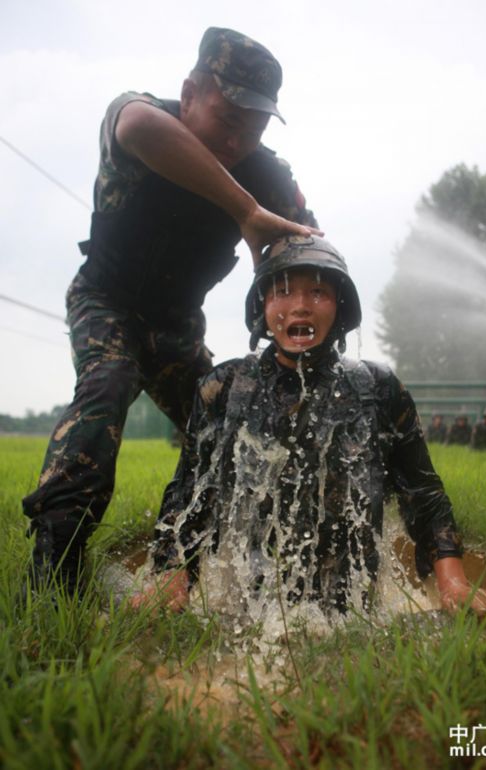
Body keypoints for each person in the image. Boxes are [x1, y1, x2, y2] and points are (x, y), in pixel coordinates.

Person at [22, 27, 320, 594]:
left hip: (178, 327)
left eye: (252, 130)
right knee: (107, 385)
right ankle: (54, 568)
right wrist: (245, 210)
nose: (237, 143)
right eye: (226, 121)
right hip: (107, 302)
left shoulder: (265, 173)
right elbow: (135, 125)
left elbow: (311, 246)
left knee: (227, 427)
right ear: (188, 94)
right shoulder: (142, 120)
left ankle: (243, 548)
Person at [133, 235, 486, 618]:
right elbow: (191, 490)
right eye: (283, 292)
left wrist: (453, 583)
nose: (301, 307)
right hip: (250, 600)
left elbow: (423, 491)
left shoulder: (378, 389)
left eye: (318, 292)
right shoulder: (223, 388)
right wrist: (170, 575)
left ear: (340, 307)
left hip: (352, 600)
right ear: (263, 305)